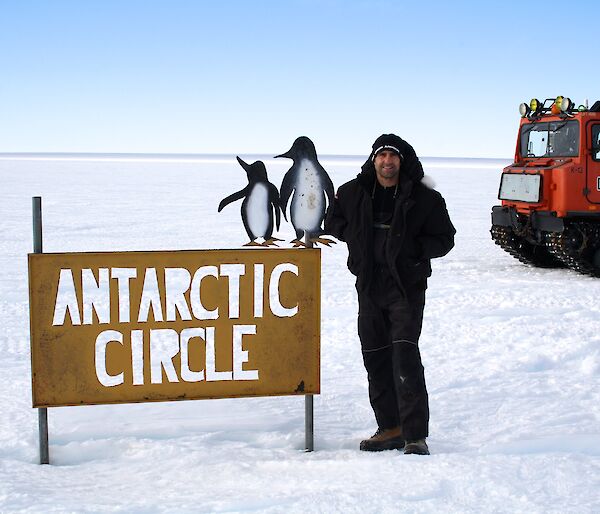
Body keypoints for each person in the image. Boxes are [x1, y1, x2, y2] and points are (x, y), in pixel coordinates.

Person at [324, 134, 455, 455]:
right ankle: (390, 428)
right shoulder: (353, 192)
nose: (387, 161)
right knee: (375, 357)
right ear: (373, 160)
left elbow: (445, 238)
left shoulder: (425, 198)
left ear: (402, 160)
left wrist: (412, 253)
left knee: (405, 358)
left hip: (405, 288)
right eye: (381, 155)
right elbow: (332, 220)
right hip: (369, 286)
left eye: (392, 156)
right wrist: (353, 236)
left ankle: (414, 435)